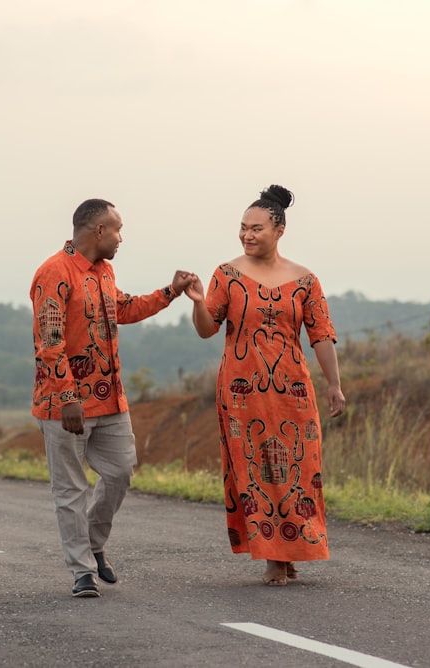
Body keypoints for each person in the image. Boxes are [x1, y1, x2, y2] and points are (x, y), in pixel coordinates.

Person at [31, 198, 195, 598]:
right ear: (98, 231)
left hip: (110, 402)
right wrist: (68, 396)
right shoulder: (53, 272)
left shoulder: (104, 272)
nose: (121, 238)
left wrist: (170, 292)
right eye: (117, 230)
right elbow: (49, 344)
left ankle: (92, 543)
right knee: (71, 489)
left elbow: (124, 308)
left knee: (121, 472)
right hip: (64, 406)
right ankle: (82, 571)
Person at [184, 184, 346, 586]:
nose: (247, 235)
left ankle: (293, 548)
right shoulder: (227, 274)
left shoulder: (306, 280)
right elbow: (208, 330)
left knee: (299, 469)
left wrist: (334, 386)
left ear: (279, 230)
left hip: (293, 391)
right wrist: (197, 302)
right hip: (242, 393)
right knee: (256, 470)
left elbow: (321, 335)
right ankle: (274, 555)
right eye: (242, 228)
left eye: (256, 228)